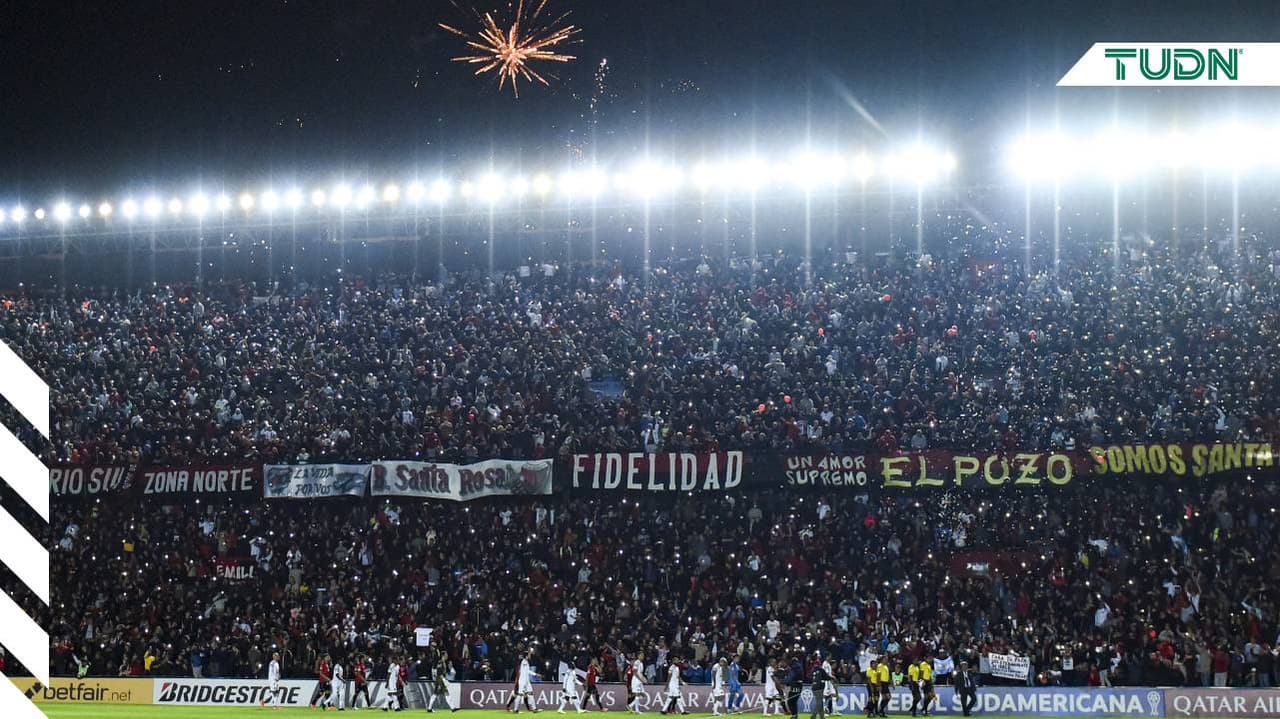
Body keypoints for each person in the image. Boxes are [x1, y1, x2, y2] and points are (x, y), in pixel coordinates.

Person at [514, 649, 540, 713]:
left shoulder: (526, 662)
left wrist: (535, 674)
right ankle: (515, 709)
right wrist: (536, 674)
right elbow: (527, 671)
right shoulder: (524, 662)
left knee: (531, 693)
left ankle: (534, 709)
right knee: (520, 695)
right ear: (526, 656)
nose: (529, 656)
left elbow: (527, 671)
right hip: (523, 681)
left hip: (526, 681)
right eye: (528, 655)